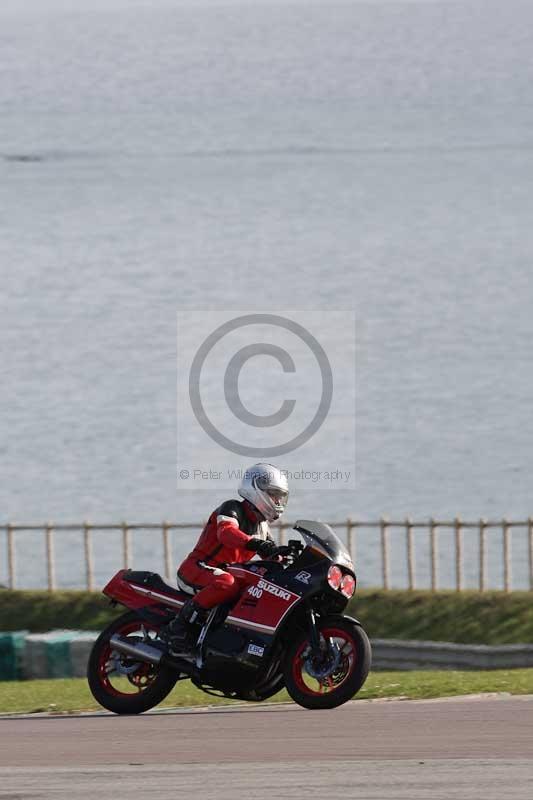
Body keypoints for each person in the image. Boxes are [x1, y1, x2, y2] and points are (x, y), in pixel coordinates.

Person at [164, 462, 289, 654]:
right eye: (273, 494)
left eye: (279, 496)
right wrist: (257, 544)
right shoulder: (232, 508)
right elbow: (227, 534)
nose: (277, 501)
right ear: (256, 489)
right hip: (198, 568)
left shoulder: (262, 527)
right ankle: (178, 627)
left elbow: (271, 555)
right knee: (226, 583)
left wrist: (287, 558)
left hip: (222, 574)